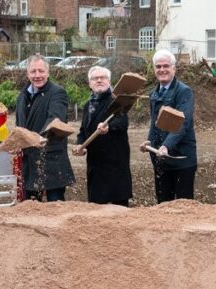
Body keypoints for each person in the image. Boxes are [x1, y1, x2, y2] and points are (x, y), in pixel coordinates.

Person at [14, 55, 75, 201]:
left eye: (41, 71)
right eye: (33, 71)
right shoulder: (22, 96)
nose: (37, 75)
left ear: (48, 72)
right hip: (30, 163)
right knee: (31, 207)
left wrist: (37, 138)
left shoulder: (57, 93)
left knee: (55, 206)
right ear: (27, 74)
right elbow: (19, 125)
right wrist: (16, 142)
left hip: (51, 161)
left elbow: (55, 120)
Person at [142, 49, 197, 202]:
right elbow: (154, 124)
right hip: (161, 159)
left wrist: (166, 145)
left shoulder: (184, 92)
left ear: (174, 68)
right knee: (163, 204)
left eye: (166, 66)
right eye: (158, 66)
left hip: (181, 158)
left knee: (183, 205)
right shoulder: (154, 94)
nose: (162, 70)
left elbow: (183, 123)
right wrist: (149, 143)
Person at [72, 65, 133, 205]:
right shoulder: (88, 105)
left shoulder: (117, 100)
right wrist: (80, 145)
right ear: (90, 83)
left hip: (115, 165)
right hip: (95, 166)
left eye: (103, 77)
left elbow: (123, 122)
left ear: (109, 81)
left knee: (119, 211)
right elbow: (83, 131)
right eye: (95, 78)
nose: (99, 80)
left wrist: (109, 127)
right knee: (96, 209)